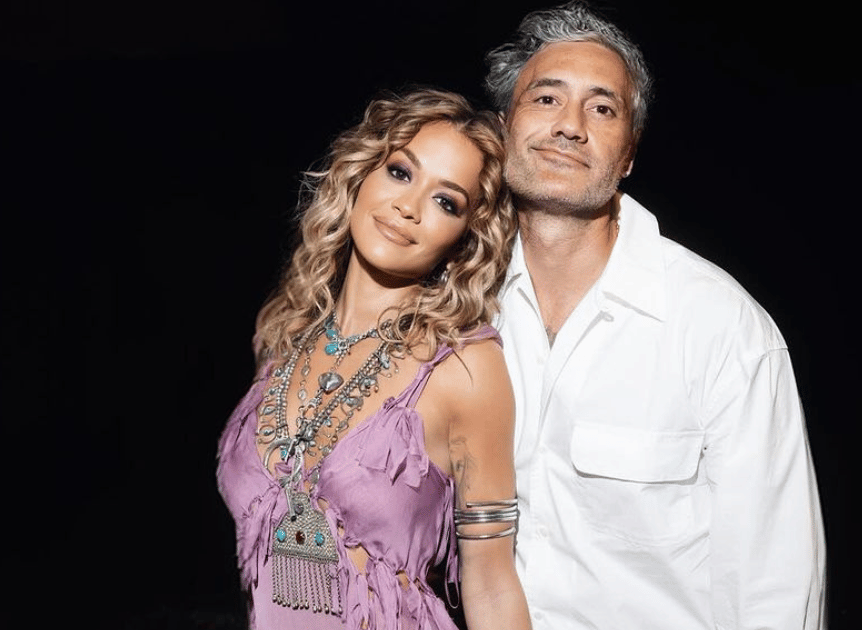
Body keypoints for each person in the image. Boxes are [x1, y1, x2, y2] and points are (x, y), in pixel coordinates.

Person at [483, 2, 827, 629]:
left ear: (629, 155)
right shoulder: (458, 306)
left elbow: (776, 588)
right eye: (546, 98)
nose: (570, 126)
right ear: (504, 127)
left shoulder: (720, 327)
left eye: (602, 109)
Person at [216, 88, 532, 630]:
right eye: (401, 172)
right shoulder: (283, 334)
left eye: (446, 202)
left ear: (465, 238)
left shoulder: (464, 368)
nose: (408, 208)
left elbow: (492, 583)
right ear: (361, 174)